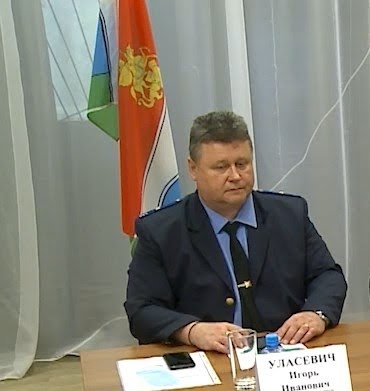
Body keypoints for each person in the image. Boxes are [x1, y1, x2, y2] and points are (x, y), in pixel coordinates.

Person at [125, 111, 347, 353]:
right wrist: (192, 331)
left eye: (242, 164)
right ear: (193, 169)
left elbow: (327, 276)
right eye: (221, 167)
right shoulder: (160, 231)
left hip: (285, 353)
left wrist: (315, 314)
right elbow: (142, 310)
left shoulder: (289, 214)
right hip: (210, 356)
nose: (235, 176)